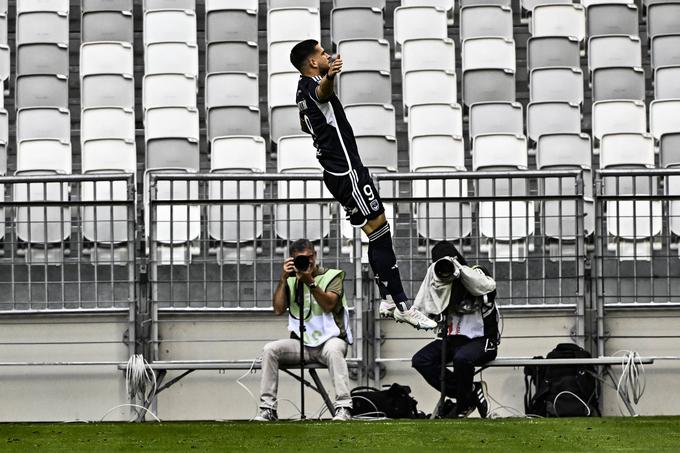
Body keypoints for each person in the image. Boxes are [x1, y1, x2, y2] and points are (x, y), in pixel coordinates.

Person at [289, 39, 435, 330]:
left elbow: (306, 123)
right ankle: (401, 304)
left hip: (338, 170)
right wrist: (330, 77)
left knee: (377, 232)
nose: (327, 54)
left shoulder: (300, 91)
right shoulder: (316, 84)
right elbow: (323, 93)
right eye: (321, 53)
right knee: (380, 229)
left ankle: (390, 301)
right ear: (313, 63)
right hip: (347, 171)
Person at [254, 239, 354, 421]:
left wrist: (311, 283)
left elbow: (329, 304)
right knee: (270, 350)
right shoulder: (291, 280)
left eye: (309, 258)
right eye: (301, 259)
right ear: (291, 260)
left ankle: (344, 406)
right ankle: (267, 409)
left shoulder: (333, 276)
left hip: (330, 340)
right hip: (302, 343)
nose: (306, 263)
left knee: (333, 351)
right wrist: (283, 279)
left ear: (315, 256)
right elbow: (278, 309)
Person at [411, 241, 500, 418]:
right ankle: (468, 393)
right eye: (440, 265)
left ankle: (463, 403)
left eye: (449, 263)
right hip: (454, 340)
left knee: (462, 359)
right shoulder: (438, 284)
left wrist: (460, 270)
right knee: (421, 360)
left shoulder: (476, 272)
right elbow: (429, 312)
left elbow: (488, 289)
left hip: (482, 340)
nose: (446, 269)